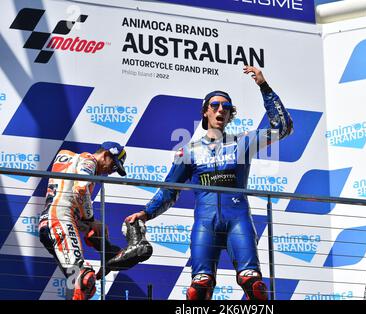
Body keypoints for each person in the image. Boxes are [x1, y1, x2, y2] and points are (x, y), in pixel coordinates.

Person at [125, 65, 294, 300]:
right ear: (205, 112)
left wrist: (263, 86)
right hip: (205, 224)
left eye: (226, 107)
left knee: (253, 284)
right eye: (214, 105)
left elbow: (283, 127)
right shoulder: (189, 152)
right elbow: (169, 190)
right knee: (199, 289)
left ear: (229, 114)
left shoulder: (243, 143)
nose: (220, 110)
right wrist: (146, 213)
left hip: (239, 222)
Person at [38, 141, 127, 300]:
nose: (111, 172)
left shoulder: (71, 159)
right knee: (84, 279)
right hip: (59, 220)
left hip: (49, 223)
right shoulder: (88, 160)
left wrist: (93, 226)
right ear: (106, 155)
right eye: (114, 166)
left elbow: (72, 197)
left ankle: (109, 253)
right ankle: (110, 253)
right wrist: (91, 219)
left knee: (77, 281)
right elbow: (80, 188)